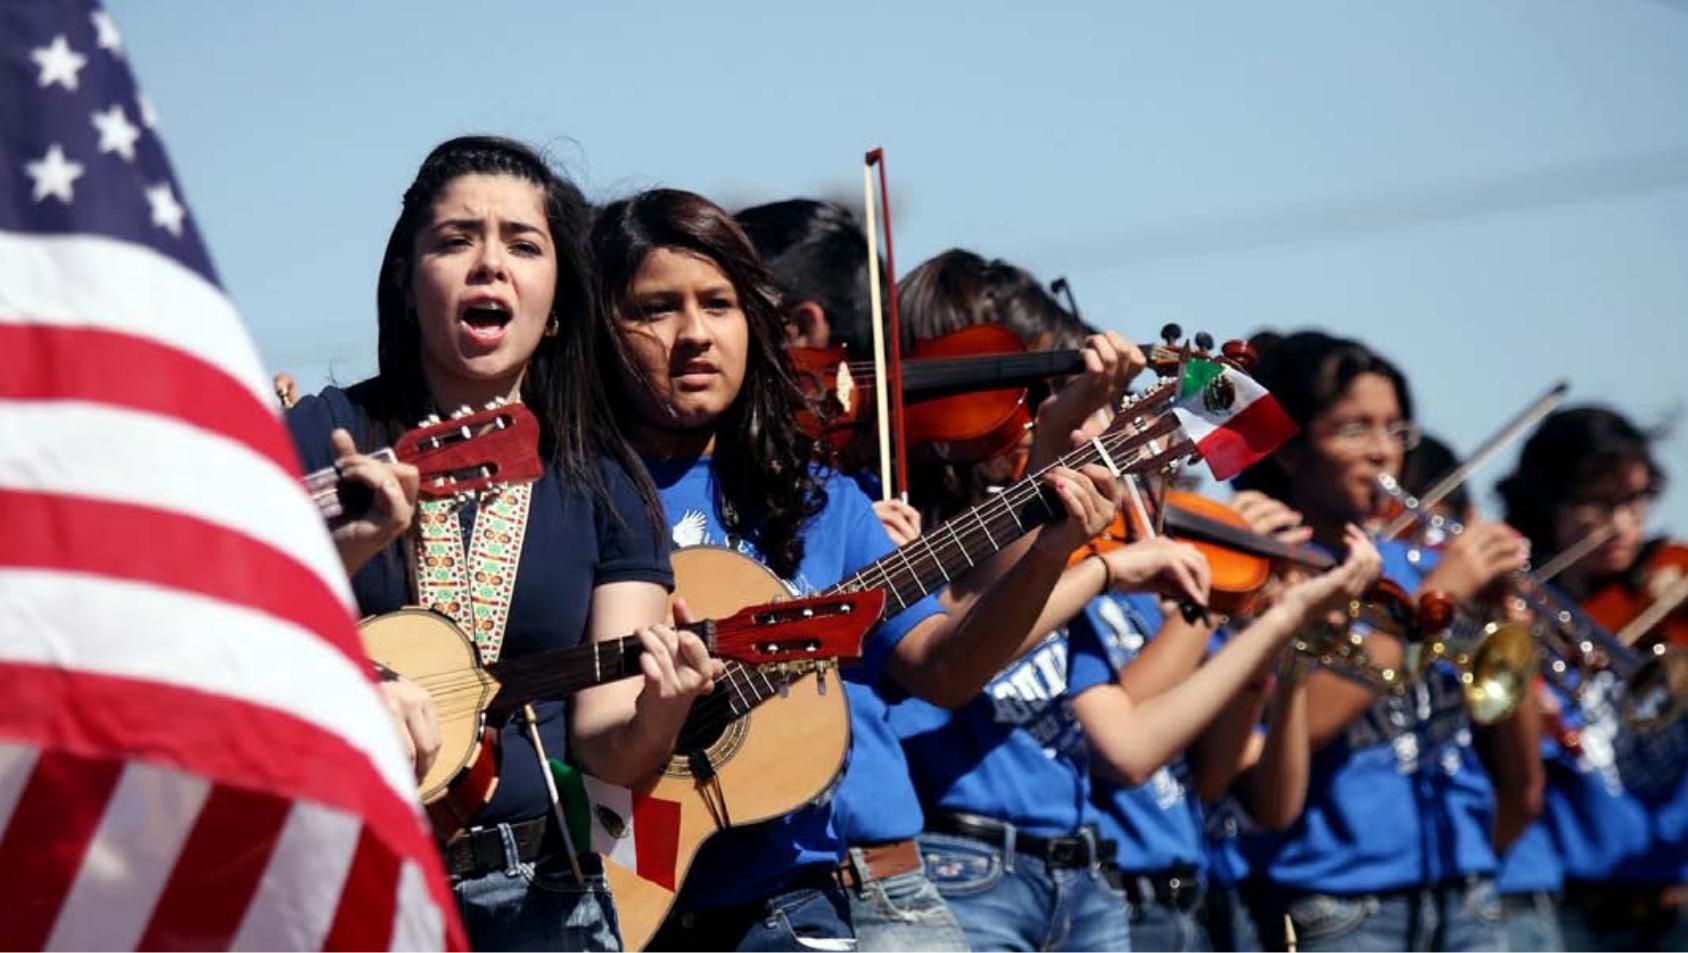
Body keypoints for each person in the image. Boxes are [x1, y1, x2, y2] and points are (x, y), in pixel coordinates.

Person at [588, 188, 1134, 951]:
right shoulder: (570, 492)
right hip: (619, 896)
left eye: (719, 304)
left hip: (796, 907)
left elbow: (942, 668)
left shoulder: (817, 497)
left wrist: (1049, 551)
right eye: (654, 308)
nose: (694, 335)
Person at [286, 136, 717, 951]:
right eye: (456, 240)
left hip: (537, 895)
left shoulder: (605, 480)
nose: (491, 264)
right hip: (345, 883)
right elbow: (220, 624)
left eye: (523, 244)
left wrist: (663, 709)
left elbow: (610, 749)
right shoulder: (322, 435)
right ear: (409, 285)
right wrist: (347, 607)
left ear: (557, 304)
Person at [887, 251, 1358, 953]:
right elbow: (1124, 741)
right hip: (974, 856)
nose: (1100, 426)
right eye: (1059, 399)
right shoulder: (917, 523)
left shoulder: (1083, 548)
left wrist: (1256, 623)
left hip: (1091, 869)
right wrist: (1120, 574)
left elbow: (1225, 774)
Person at [1230, 330, 1538, 952]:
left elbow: (1517, 766)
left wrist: (1512, 628)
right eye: (1355, 429)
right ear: (1291, 452)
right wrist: (1439, 602)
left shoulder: (1429, 565)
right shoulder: (1267, 574)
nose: (1383, 452)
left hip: (1466, 887)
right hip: (1341, 902)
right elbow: (1307, 719)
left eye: (1396, 430)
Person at [1495, 406, 1688, 952]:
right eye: (1597, 505)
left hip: (1672, 894)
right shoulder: (1521, 608)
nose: (1622, 525)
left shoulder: (1672, 588)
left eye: (1635, 501)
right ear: (1549, 503)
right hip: (1561, 898)